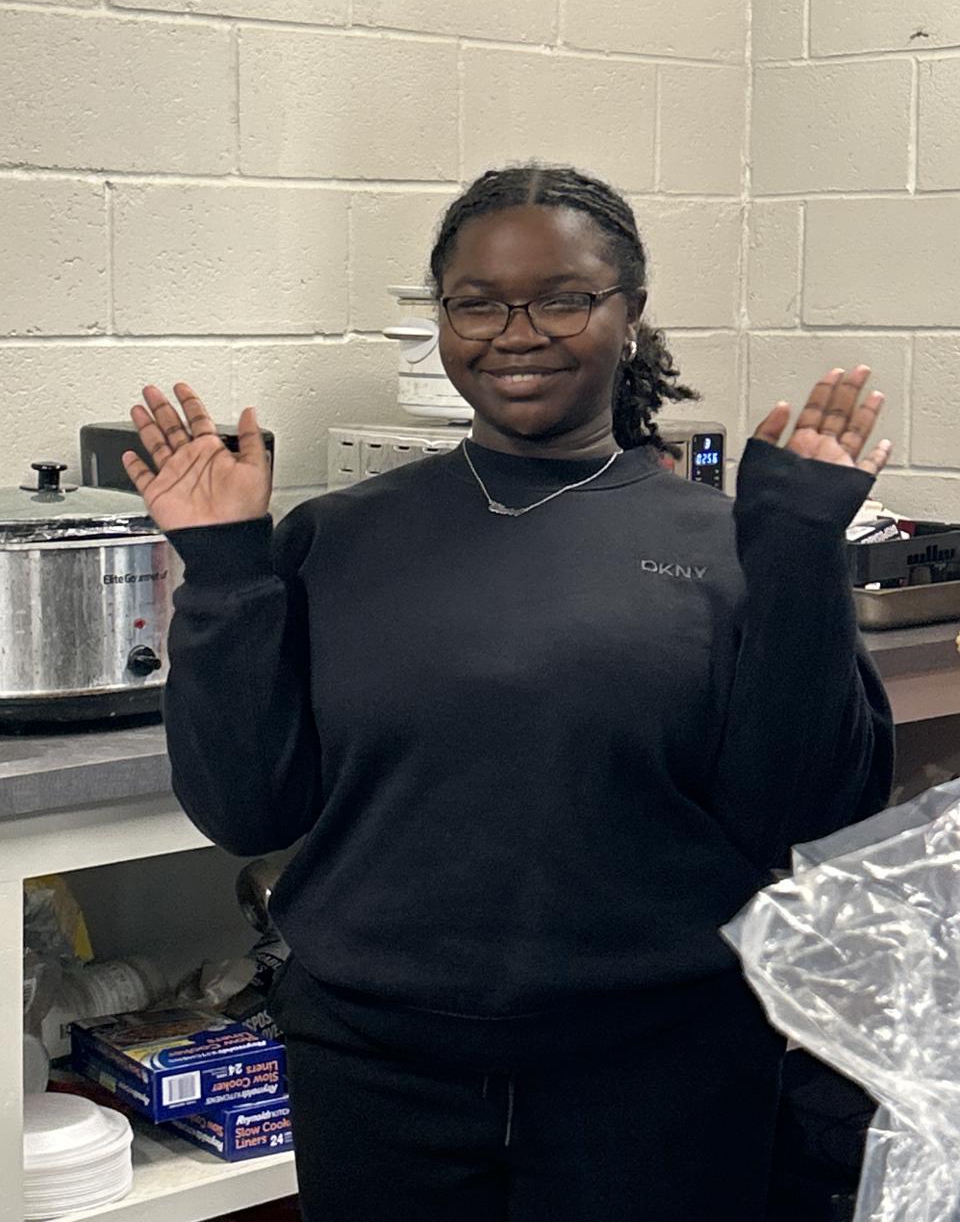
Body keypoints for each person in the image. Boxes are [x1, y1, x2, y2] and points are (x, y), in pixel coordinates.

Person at [123, 164, 894, 1222]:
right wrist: (221, 568)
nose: (515, 333)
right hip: (377, 1073)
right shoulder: (335, 539)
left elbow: (801, 811)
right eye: (476, 303)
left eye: (563, 299)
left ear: (630, 315)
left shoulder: (726, 546)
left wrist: (799, 552)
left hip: (661, 1072)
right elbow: (248, 807)